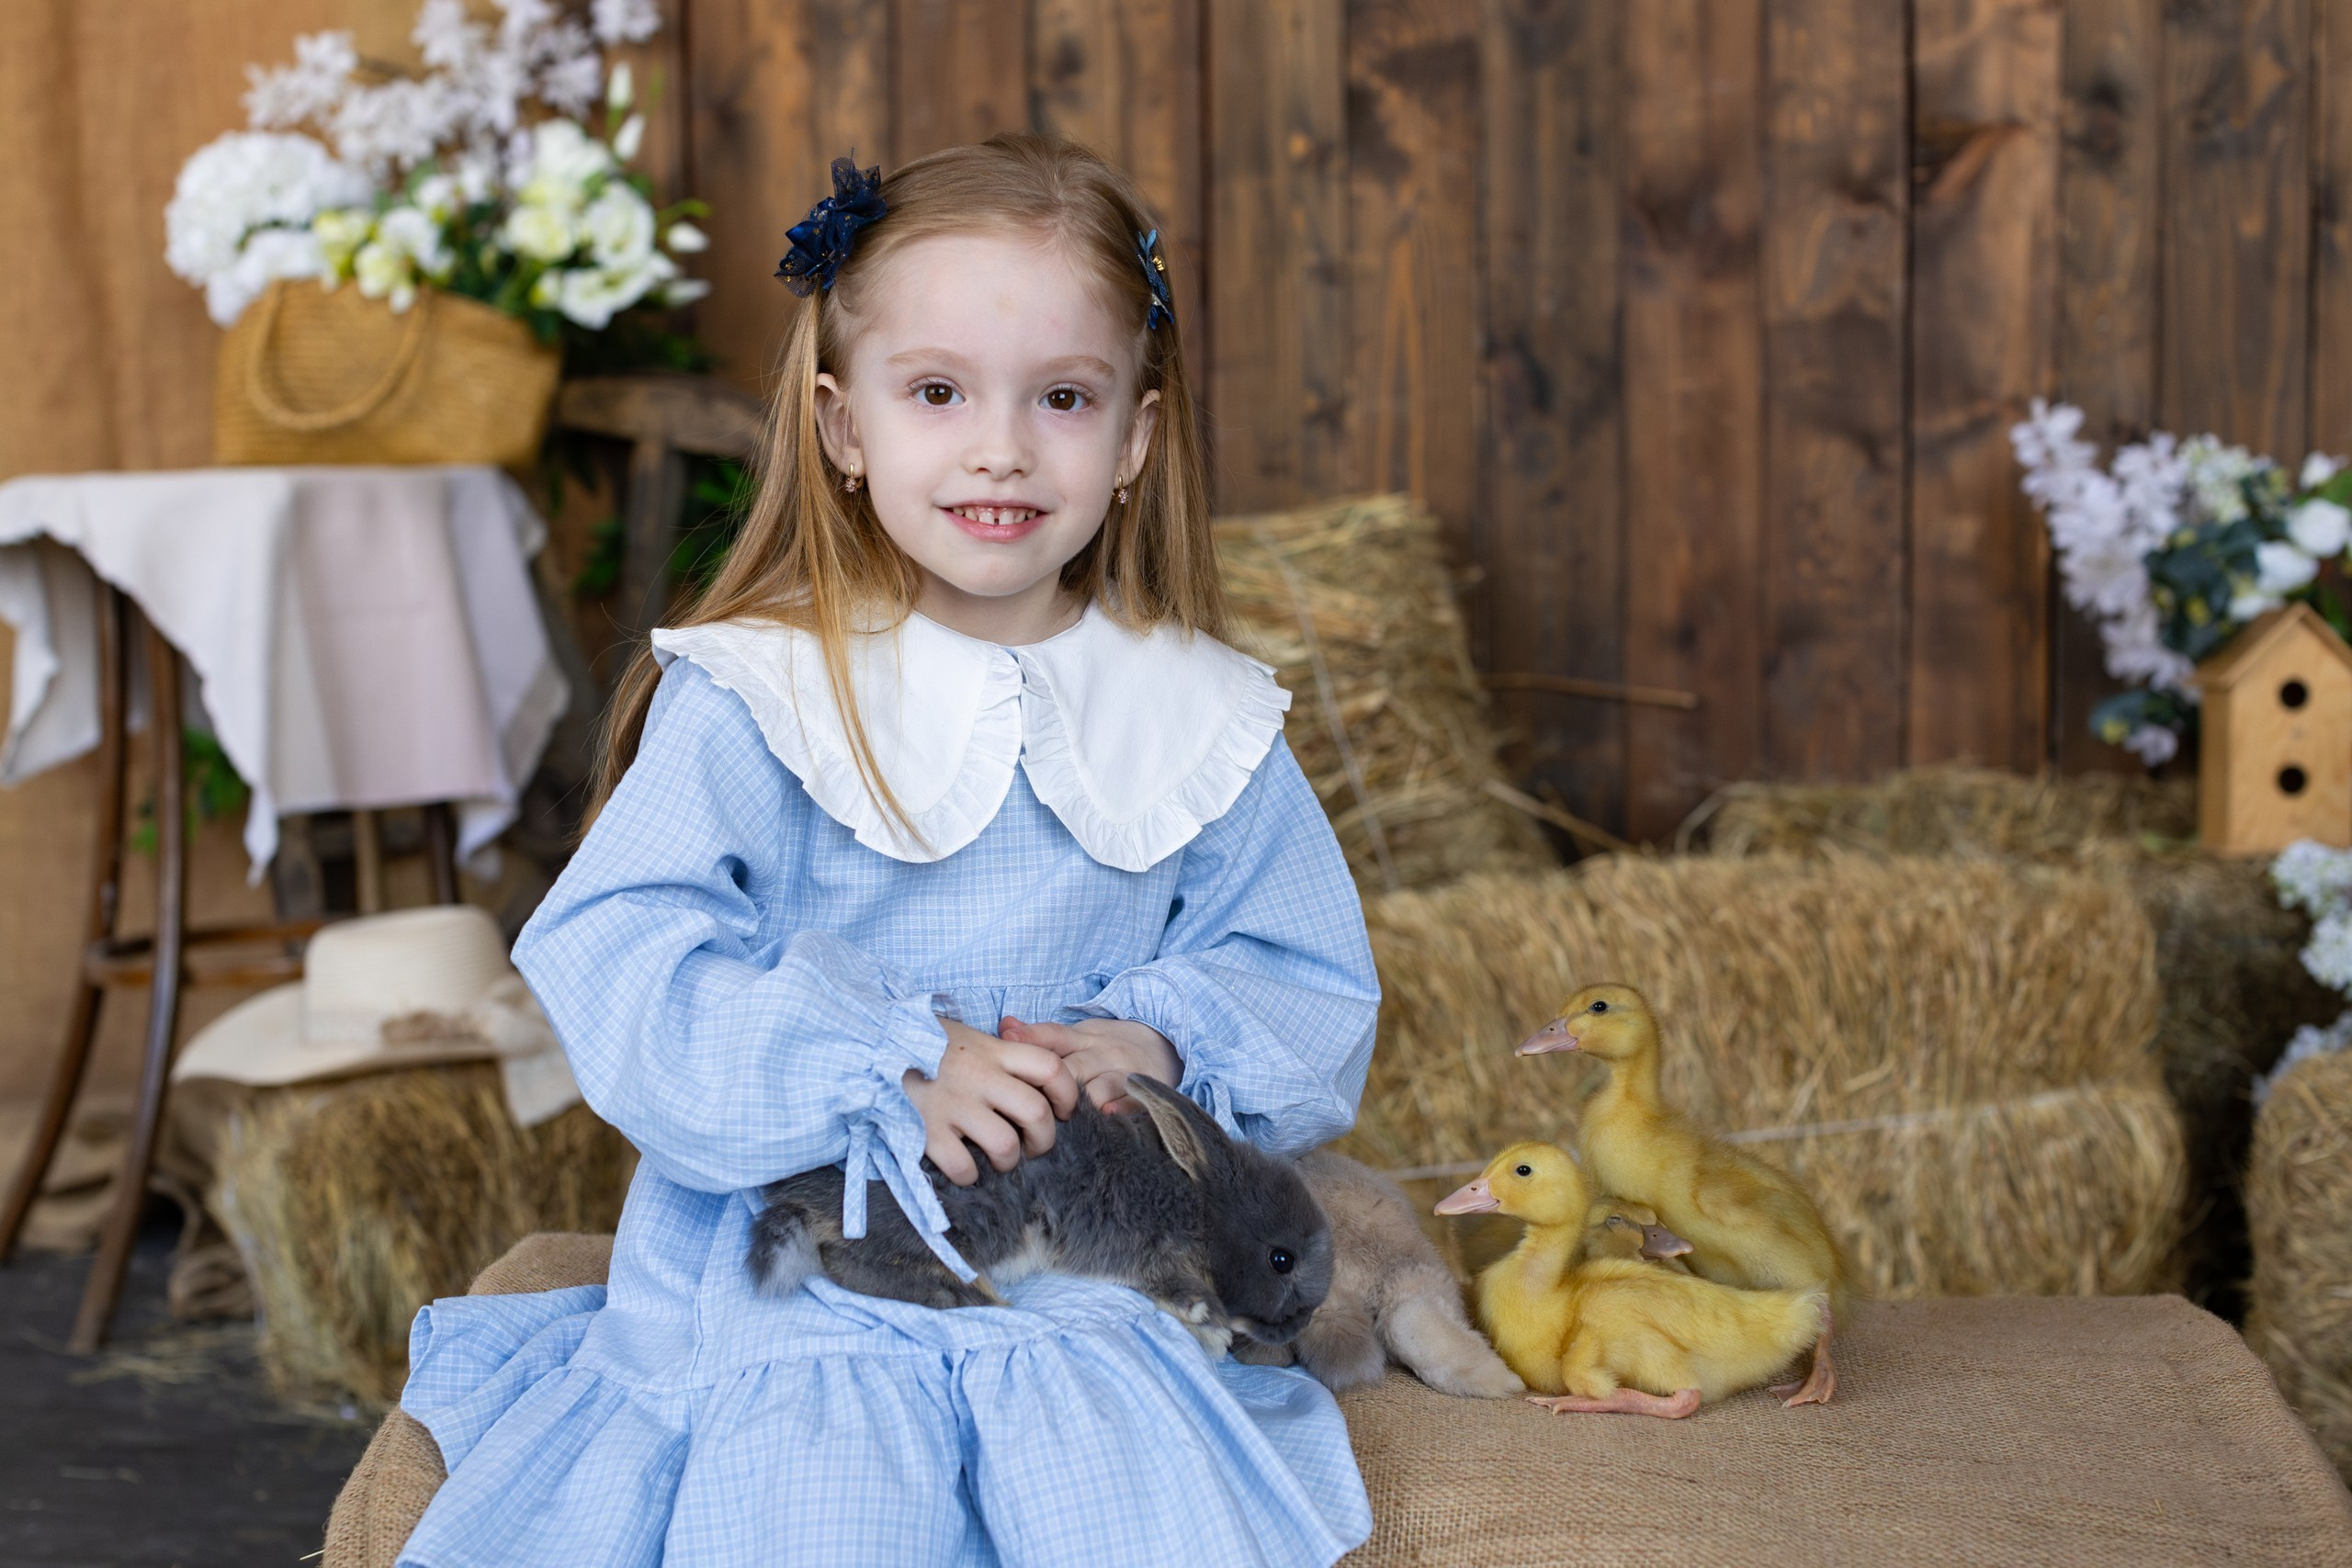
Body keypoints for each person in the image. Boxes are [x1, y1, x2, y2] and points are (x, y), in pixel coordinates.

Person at [390, 134, 1381, 1568]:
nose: (1001, 447)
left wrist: (1153, 1049)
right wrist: (884, 1062)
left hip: (1076, 1257)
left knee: (1110, 1441)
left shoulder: (1197, 716)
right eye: (938, 393)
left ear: (1136, 439)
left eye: (1063, 398)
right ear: (844, 427)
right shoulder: (765, 692)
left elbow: (1301, 975)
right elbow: (624, 954)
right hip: (810, 1248)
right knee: (827, 1482)